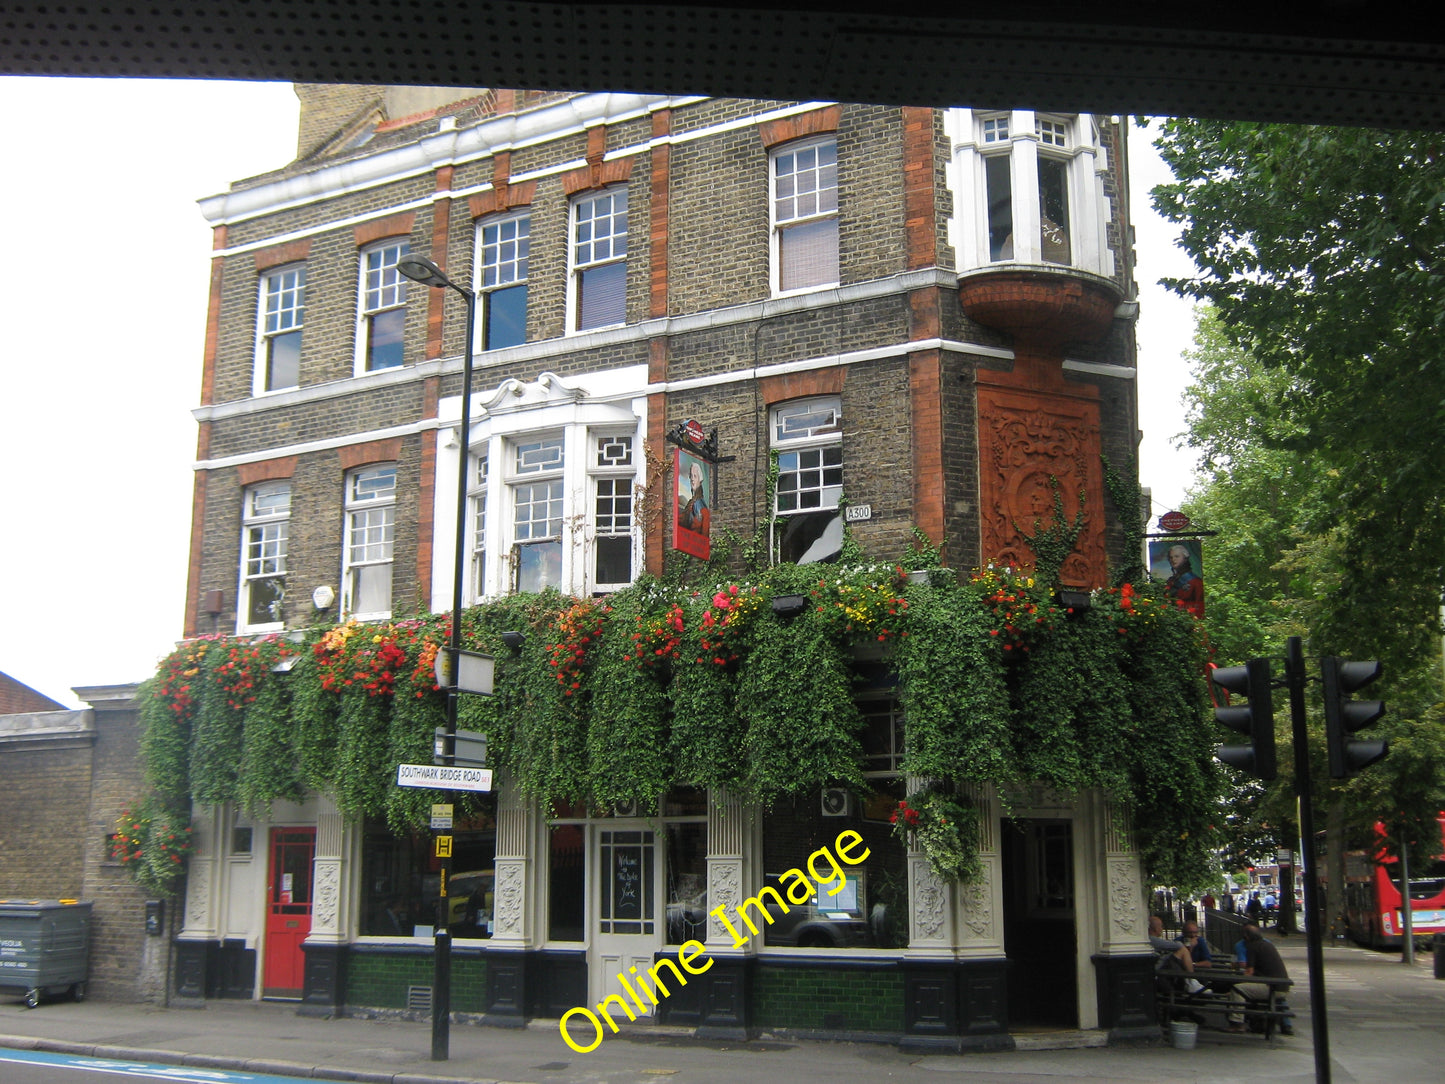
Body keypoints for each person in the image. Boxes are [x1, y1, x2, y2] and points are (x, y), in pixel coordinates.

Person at [1228, 923, 1292, 1035]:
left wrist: (1236, 979)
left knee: (1237, 989)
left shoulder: (1252, 947)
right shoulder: (1267, 944)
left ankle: (1237, 1023)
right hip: (1281, 986)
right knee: (1245, 989)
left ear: (1246, 937)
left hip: (1272, 987)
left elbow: (1249, 972)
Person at [1163, 543, 1204, 618]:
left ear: (1185, 558)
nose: (1173, 560)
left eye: (1177, 556)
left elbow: (1200, 607)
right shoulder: (1170, 581)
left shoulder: (1196, 582)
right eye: (1171, 557)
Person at [679, 460, 710, 535]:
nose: (692, 479)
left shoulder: (699, 503)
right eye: (691, 476)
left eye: (695, 476)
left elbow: (703, 529)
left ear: (700, 479)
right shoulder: (692, 501)